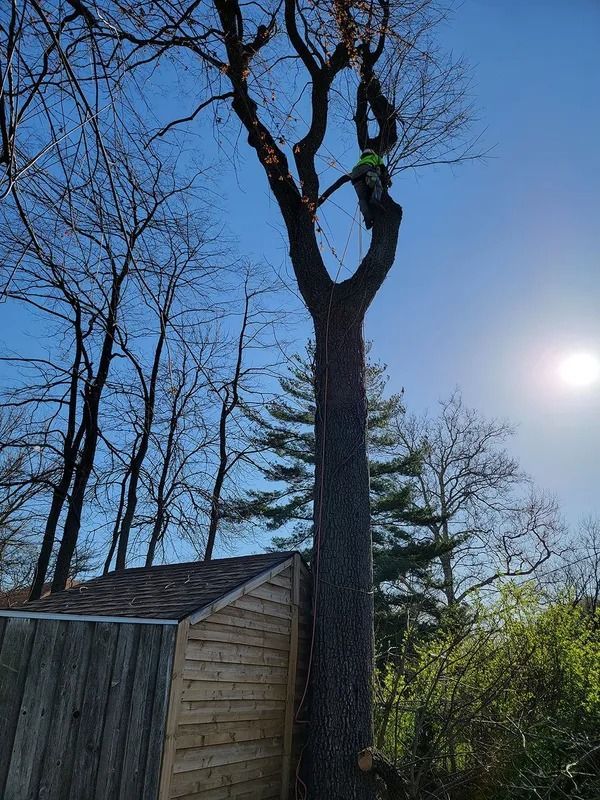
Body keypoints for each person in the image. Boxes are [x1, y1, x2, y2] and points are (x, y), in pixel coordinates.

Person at [350, 149, 390, 229]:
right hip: (366, 169)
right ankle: (375, 199)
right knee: (377, 184)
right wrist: (388, 180)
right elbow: (383, 169)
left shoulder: (360, 161)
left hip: (354, 176)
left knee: (362, 198)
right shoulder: (375, 156)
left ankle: (368, 219)